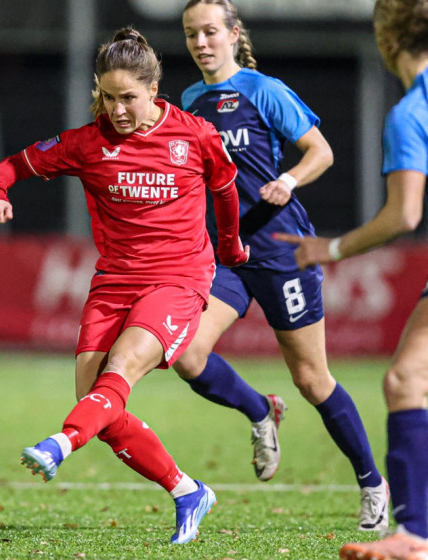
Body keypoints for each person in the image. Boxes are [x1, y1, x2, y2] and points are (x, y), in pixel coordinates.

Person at [0, 27, 249, 544]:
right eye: (108, 96)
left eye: (128, 97)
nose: (118, 109)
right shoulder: (86, 142)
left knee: (119, 371)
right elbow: (14, 165)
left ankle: (59, 444)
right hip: (114, 281)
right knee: (99, 405)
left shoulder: (194, 135)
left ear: (154, 90)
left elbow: (225, 190)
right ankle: (187, 490)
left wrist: (231, 247)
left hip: (179, 278)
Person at [171, 0, 390, 533]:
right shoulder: (190, 101)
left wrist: (288, 180)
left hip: (280, 251)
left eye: (210, 32)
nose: (201, 43)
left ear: (232, 33)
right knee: (187, 353)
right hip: (228, 256)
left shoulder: (263, 89)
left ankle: (371, 483)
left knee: (312, 380)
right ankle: (259, 411)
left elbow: (321, 151)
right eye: (191, 34)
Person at [275, 0, 428, 557]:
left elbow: (404, 216)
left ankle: (414, 537)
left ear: (387, 37)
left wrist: (329, 249)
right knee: (410, 381)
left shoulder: (411, 113)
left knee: (406, 383)